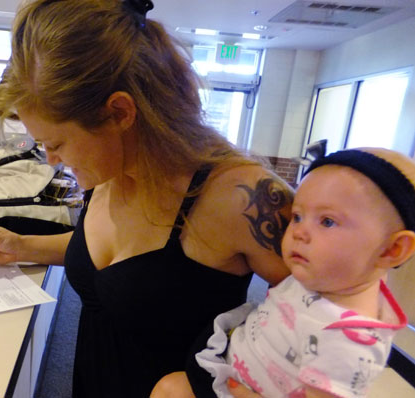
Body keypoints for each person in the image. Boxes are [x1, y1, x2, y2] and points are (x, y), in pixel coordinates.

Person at [0, 0, 293, 396]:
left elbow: (339, 313)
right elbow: (114, 259)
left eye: (57, 142)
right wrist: (19, 245)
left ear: (120, 112)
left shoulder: (241, 197)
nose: (51, 158)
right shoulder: (107, 170)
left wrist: (233, 384)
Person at [152, 148, 415, 398]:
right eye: (298, 216)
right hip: (227, 356)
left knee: (170, 390)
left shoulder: (349, 342)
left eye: (327, 221)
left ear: (392, 249)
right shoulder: (330, 277)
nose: (298, 231)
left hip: (232, 388)